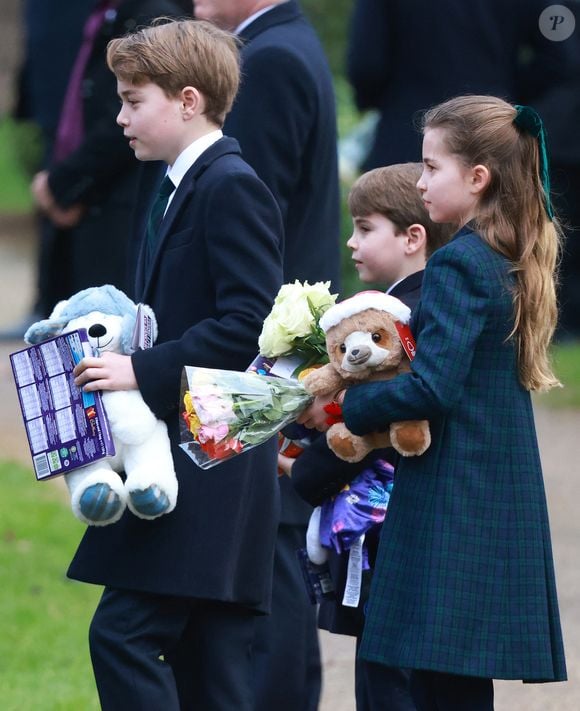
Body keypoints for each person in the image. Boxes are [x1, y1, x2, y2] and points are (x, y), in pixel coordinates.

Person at [68, 19, 284, 710]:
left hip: (211, 450)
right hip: (192, 446)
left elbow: (248, 320)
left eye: (134, 100)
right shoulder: (170, 183)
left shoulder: (231, 185)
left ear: (188, 101)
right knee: (208, 666)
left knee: (124, 633)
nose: (121, 117)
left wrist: (140, 370)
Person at [332, 95, 566, 709]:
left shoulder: (461, 261)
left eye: (432, 167)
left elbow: (434, 386)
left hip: (455, 490)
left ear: (477, 178)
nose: (419, 180)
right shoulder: (500, 254)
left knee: (423, 669)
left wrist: (346, 410)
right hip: (490, 485)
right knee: (454, 676)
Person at [192, 2, 341, 708]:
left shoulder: (270, 61)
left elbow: (256, 212)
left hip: (270, 344)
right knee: (271, 535)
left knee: (268, 542)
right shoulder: (287, 43)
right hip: (280, 332)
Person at [286, 163, 453, 710]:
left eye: (364, 227)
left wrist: (305, 467)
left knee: (391, 680)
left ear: (412, 237)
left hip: (394, 525)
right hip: (399, 525)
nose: (350, 242)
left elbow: (380, 423)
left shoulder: (409, 315)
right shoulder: (391, 307)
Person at [27, 0, 186, 321]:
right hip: (88, 195)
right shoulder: (108, 12)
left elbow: (126, 126)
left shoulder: (153, 16)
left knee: (104, 328)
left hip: (115, 202)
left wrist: (65, 183)